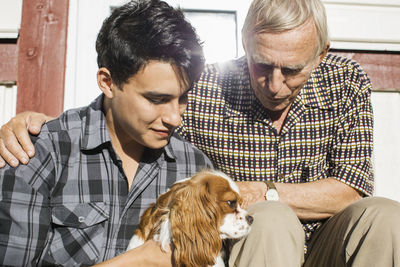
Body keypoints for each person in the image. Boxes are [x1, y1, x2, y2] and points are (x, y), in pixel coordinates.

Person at [1, 0, 400, 266]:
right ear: (244, 45)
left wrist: (254, 192)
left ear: (322, 53)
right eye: (262, 64)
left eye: (292, 70)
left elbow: (351, 188)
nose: (275, 84)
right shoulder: (205, 88)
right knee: (273, 221)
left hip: (325, 242)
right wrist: (36, 126)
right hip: (262, 245)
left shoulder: (345, 81)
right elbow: (123, 108)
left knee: (386, 216)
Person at [0, 0, 213, 266]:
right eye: (157, 99)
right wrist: (139, 261)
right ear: (107, 82)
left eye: (182, 98)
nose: (174, 117)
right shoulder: (40, 154)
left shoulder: (194, 168)